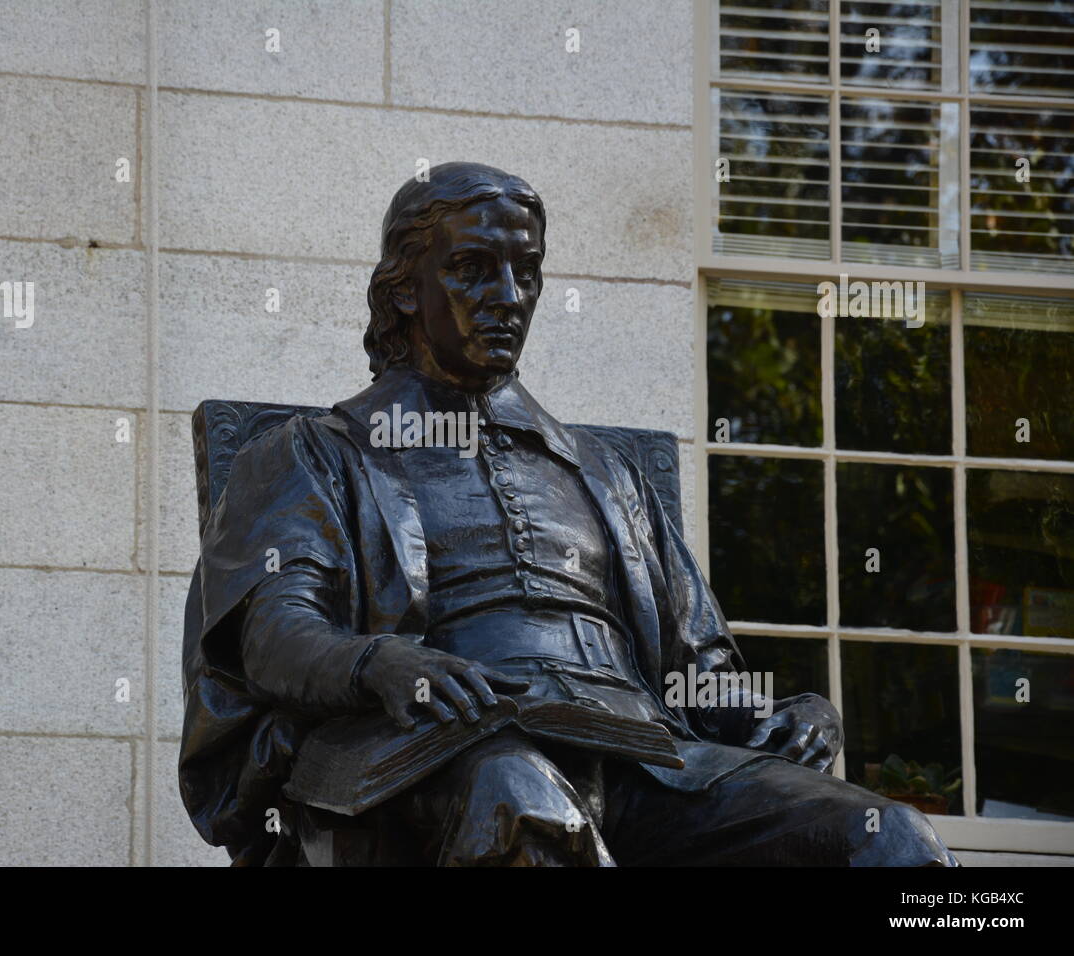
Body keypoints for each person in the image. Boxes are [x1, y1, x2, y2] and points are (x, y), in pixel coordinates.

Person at [180, 162, 958, 867]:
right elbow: (273, 635)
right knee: (522, 802)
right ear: (405, 290)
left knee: (891, 839)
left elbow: (700, 671)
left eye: (527, 272)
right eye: (473, 271)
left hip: (643, 759)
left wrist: (794, 714)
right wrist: (379, 664)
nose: (509, 299)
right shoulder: (313, 452)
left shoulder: (608, 474)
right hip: (437, 753)